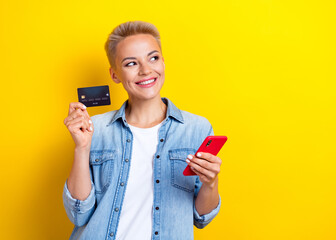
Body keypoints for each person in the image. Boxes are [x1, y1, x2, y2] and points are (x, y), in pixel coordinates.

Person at [63, 21, 222, 240]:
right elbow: (78, 215)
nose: (146, 70)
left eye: (153, 58)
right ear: (115, 75)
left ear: (163, 63)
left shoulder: (197, 129)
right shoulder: (94, 128)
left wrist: (210, 183)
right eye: (131, 63)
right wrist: (82, 148)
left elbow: (201, 217)